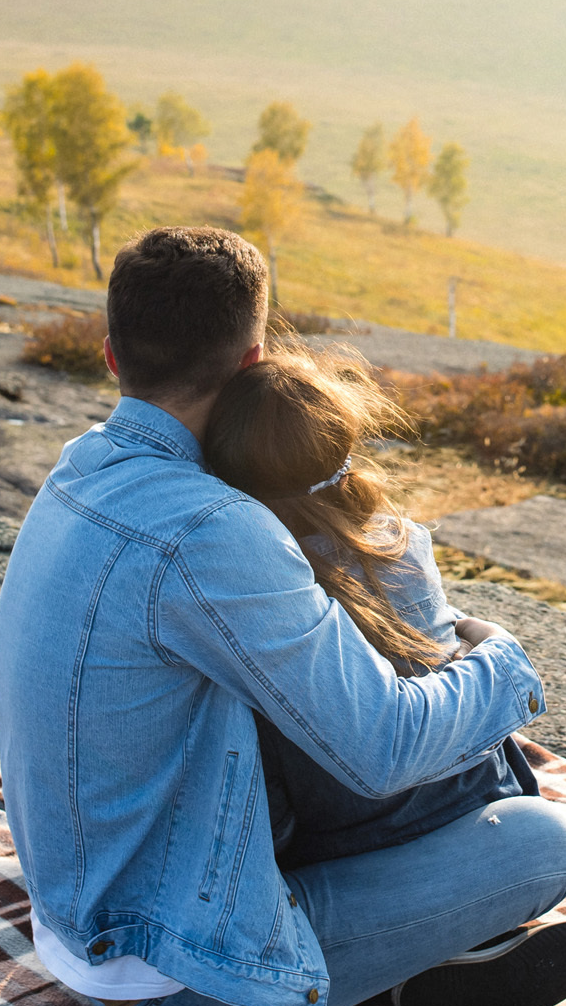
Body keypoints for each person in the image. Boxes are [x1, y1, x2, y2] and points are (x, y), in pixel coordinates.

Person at [0, 227, 566, 1006]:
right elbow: (381, 749)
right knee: (541, 847)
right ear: (253, 366)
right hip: (179, 979)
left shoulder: (79, 469)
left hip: (77, 918)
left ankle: (414, 953)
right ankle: (411, 966)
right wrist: (503, 665)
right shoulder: (213, 530)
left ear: (110, 356)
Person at [201, 350, 540, 873]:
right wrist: (481, 637)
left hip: (339, 840)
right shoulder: (403, 540)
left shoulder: (258, 574)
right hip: (476, 795)